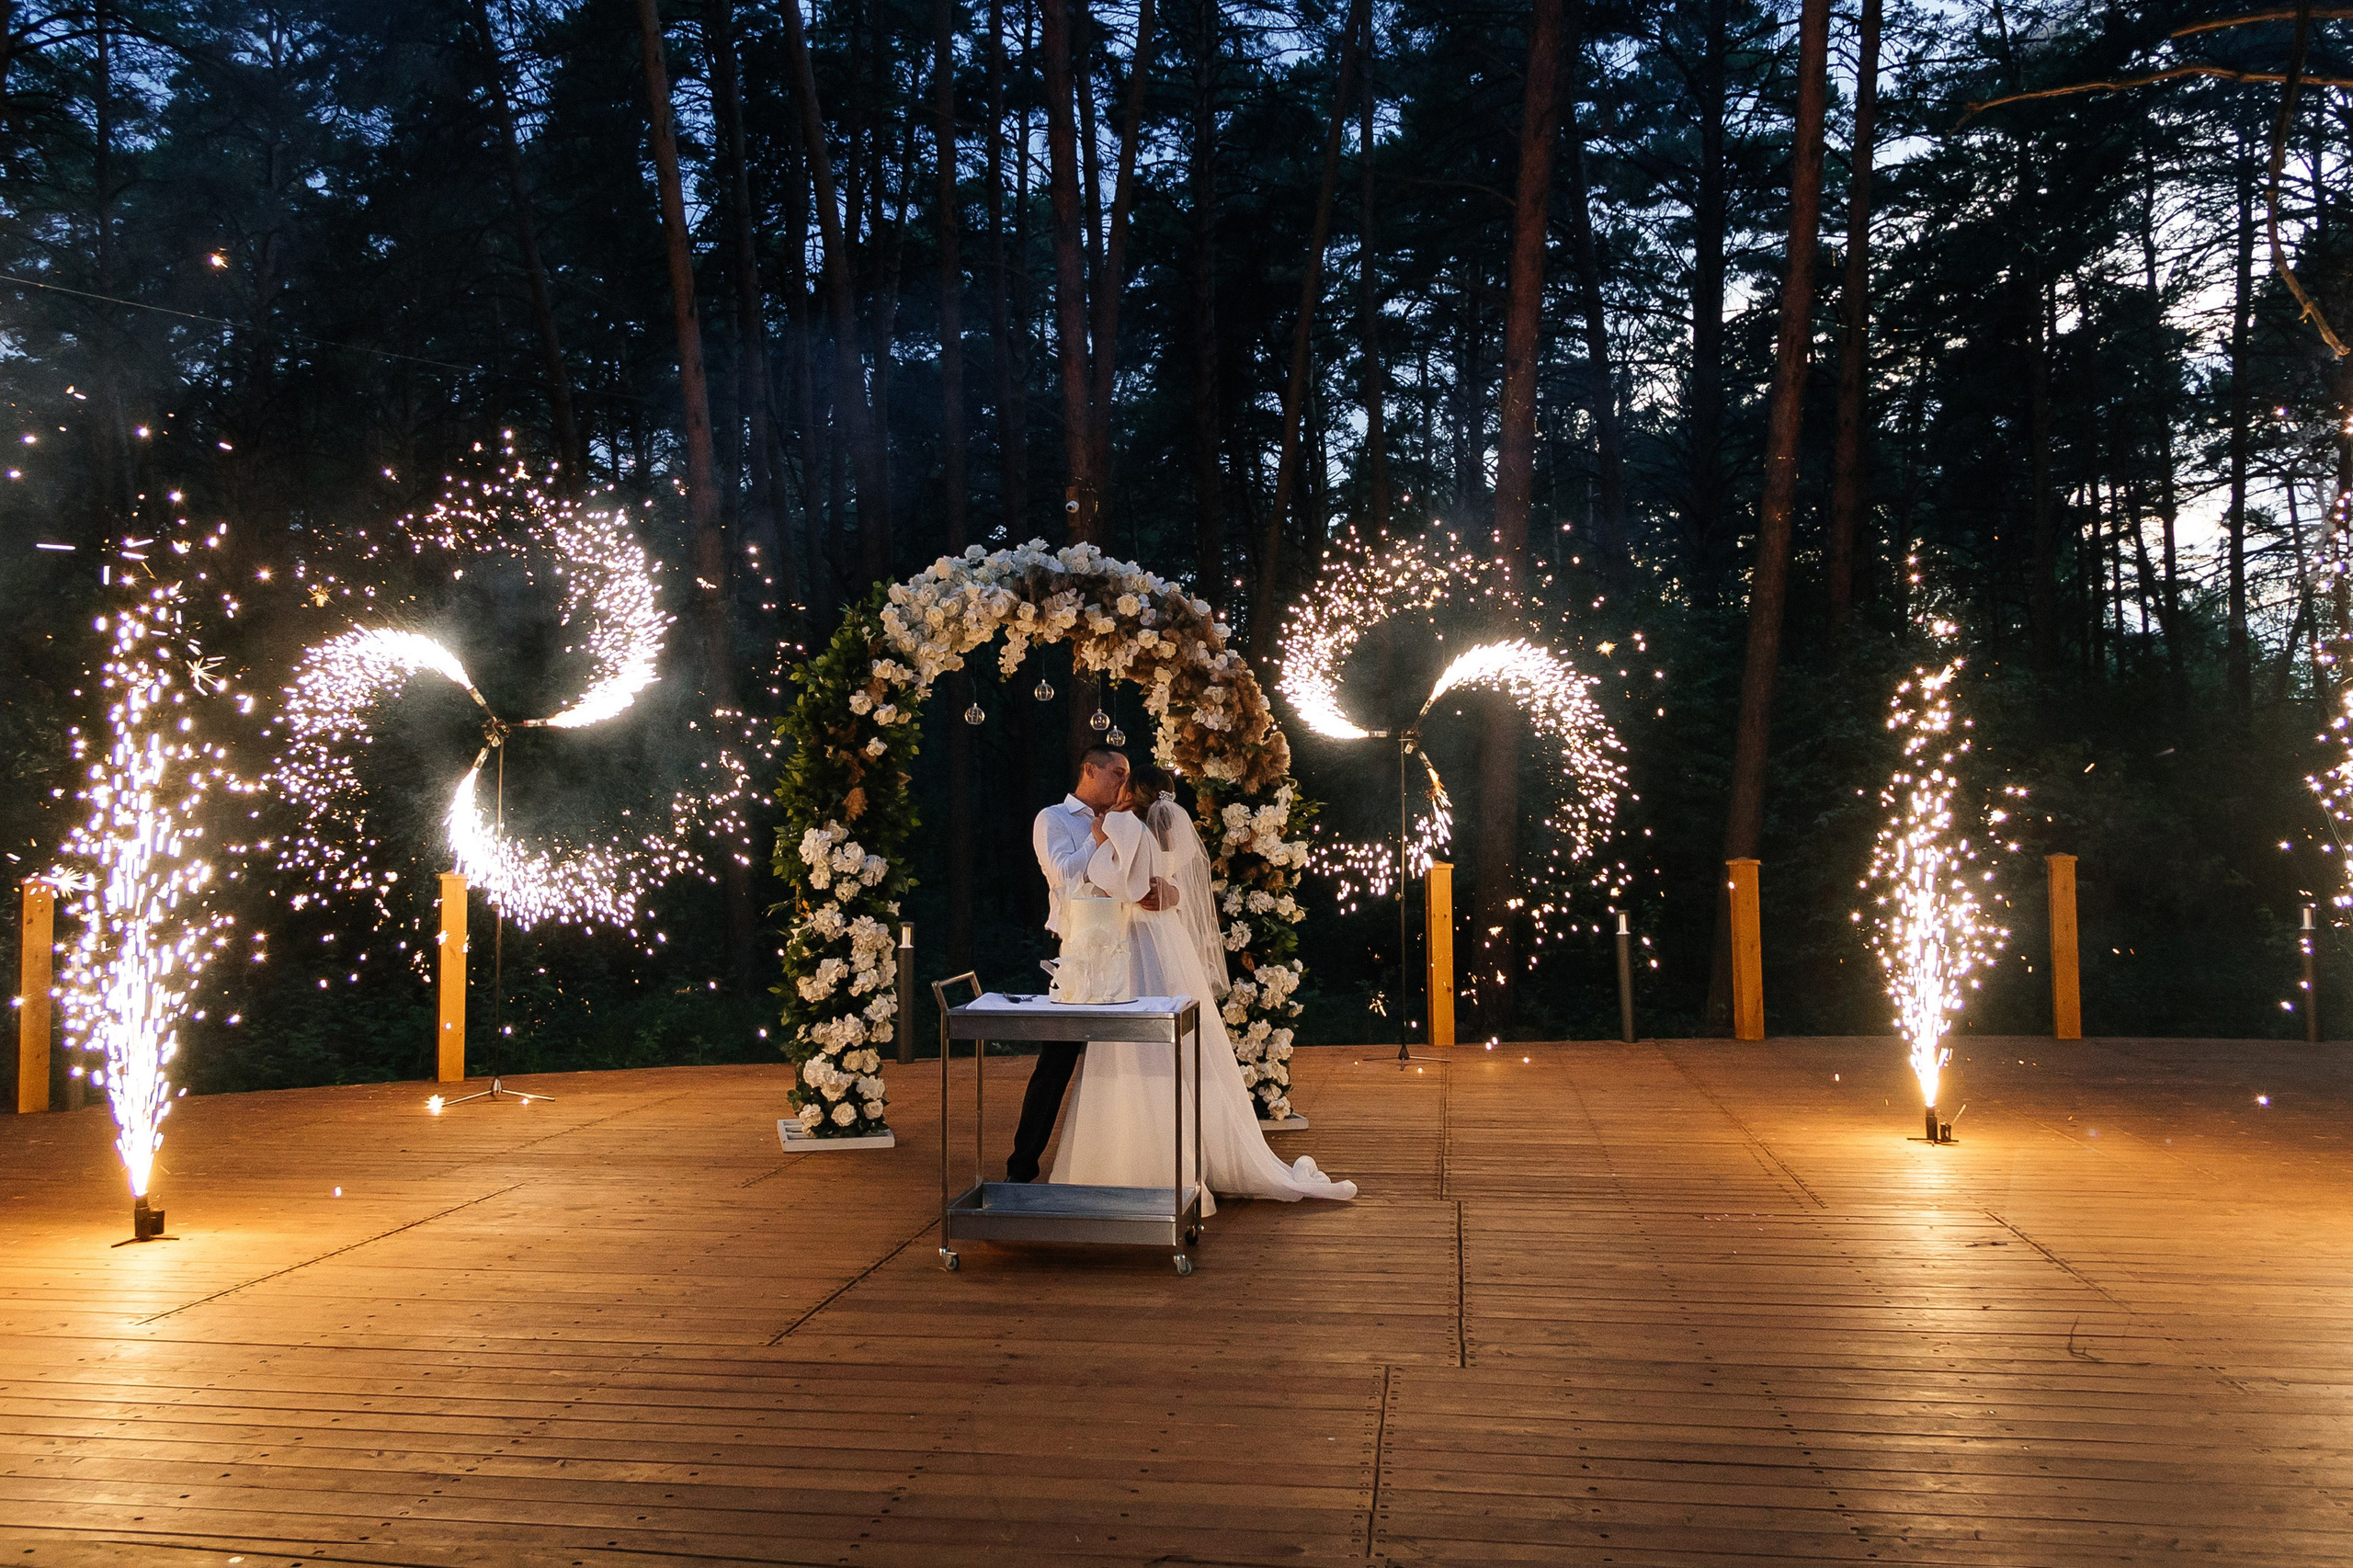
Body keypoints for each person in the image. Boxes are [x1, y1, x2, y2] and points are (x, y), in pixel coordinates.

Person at [1047, 763, 1356, 1210]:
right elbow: (1165, 883)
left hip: (1134, 941)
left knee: (1136, 1042)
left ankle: (1141, 1163)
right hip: (1168, 941)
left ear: (1133, 791)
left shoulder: (1119, 822)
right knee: (1184, 1043)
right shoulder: (1169, 833)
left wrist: (1100, 841)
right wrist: (1166, 891)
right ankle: (1201, 1153)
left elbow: (1118, 884)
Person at [1011, 746, 1173, 1182]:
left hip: (1129, 950)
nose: (1123, 783)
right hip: (1078, 953)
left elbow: (1161, 874)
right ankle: (1021, 1166)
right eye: (1116, 772)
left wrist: (1165, 893)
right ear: (1089, 769)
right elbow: (1064, 877)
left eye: (1126, 775)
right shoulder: (1053, 819)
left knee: (1132, 1058)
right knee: (1056, 1062)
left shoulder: (1132, 819)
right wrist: (1097, 837)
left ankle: (1138, 1157)